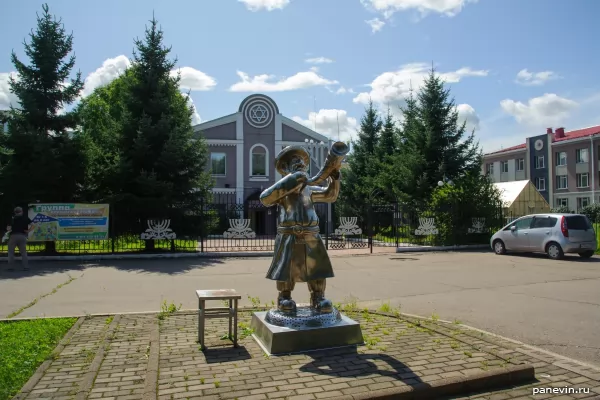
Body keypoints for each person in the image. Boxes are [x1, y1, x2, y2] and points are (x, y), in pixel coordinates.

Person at [259, 145, 341, 314]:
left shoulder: (308, 188)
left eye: (302, 161)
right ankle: (284, 297)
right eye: (294, 160)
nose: (300, 163)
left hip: (311, 233)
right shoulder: (284, 188)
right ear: (286, 167)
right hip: (290, 234)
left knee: (317, 268)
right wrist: (291, 181)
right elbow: (265, 198)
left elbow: (330, 196)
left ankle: (318, 297)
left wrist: (335, 178)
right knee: (286, 269)